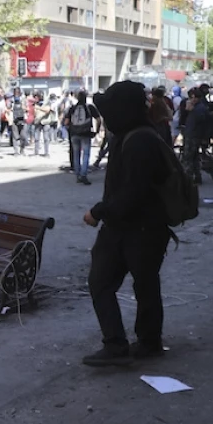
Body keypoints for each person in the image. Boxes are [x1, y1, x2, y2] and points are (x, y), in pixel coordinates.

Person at [82, 81, 172, 367]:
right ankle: (130, 342)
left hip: (140, 229)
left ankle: (142, 342)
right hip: (126, 227)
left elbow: (133, 192)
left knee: (136, 285)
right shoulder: (131, 134)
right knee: (111, 283)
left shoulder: (141, 140)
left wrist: (98, 212)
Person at [65, 90, 101, 185]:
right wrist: (96, 131)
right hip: (85, 133)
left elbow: (66, 122)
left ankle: (77, 175)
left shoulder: (72, 108)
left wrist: (70, 130)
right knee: (85, 154)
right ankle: (83, 174)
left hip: (74, 133)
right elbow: (98, 119)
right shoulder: (89, 107)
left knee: (76, 154)